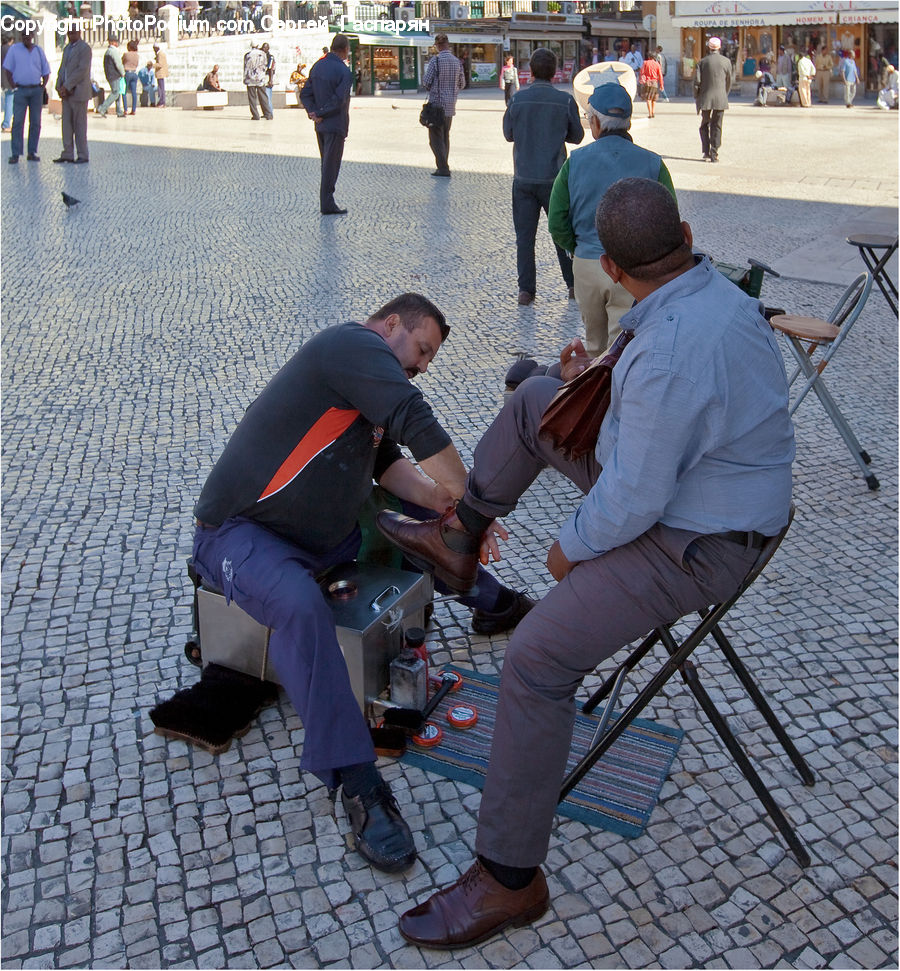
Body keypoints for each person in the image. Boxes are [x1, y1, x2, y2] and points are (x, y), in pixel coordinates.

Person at [375, 178, 795, 949]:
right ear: (687, 234)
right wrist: (588, 378)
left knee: (536, 656)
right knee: (535, 398)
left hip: (697, 537)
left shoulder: (667, 350)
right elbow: (659, 427)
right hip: (692, 492)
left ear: (606, 267)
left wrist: (567, 549)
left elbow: (634, 499)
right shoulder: (716, 295)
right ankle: (460, 545)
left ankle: (510, 878)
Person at [191, 292, 531, 875]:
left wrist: (453, 510)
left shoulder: (362, 391)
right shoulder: (350, 344)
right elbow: (414, 420)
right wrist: (476, 501)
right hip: (240, 534)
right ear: (391, 323)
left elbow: (392, 467)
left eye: (428, 361)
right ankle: (357, 782)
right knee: (300, 605)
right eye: (421, 349)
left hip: (324, 540)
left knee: (426, 517)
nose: (421, 364)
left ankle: (487, 597)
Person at [548, 83, 674, 356]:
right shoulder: (653, 163)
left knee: (594, 347)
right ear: (627, 122)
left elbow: (556, 221)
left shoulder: (575, 162)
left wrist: (578, 247)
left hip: (588, 265)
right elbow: (669, 218)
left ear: (594, 122)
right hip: (634, 270)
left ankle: (595, 394)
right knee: (625, 350)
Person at [503, 48, 583, 308]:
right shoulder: (565, 100)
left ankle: (526, 291)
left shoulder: (516, 99)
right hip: (555, 180)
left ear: (532, 71)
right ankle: (572, 285)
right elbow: (577, 136)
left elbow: (508, 134)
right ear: (555, 72)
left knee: (524, 238)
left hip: (524, 178)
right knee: (562, 234)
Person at [300, 33, 352, 215]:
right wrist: (320, 113)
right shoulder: (344, 72)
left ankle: (327, 201)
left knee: (326, 162)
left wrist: (313, 112)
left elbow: (305, 94)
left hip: (320, 125)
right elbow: (339, 100)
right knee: (332, 164)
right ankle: (327, 203)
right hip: (335, 123)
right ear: (345, 50)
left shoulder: (317, 67)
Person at [3, 28, 51, 163]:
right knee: (18, 122)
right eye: (23, 36)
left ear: (32, 36)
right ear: (20, 37)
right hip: (21, 91)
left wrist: (42, 86)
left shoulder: (38, 51)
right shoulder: (14, 50)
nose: (26, 38)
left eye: (28, 36)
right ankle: (16, 153)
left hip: (35, 90)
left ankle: (32, 151)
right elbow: (7, 69)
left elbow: (46, 71)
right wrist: (13, 86)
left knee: (35, 122)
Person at [422, 34, 465, 178]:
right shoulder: (457, 62)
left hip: (436, 106)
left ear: (438, 46)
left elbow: (426, 82)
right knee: (445, 136)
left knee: (435, 138)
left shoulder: (436, 61)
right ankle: (443, 165)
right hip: (450, 106)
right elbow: (462, 83)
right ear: (448, 44)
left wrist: (434, 88)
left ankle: (443, 168)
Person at [52, 22, 91, 164]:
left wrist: (68, 86)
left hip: (78, 92)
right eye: (69, 33)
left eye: (73, 33)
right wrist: (59, 85)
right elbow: (63, 68)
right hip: (66, 94)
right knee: (66, 125)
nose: (71, 35)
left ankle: (82, 154)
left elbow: (82, 70)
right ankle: (67, 153)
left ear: (79, 33)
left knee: (80, 125)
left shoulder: (85, 49)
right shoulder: (67, 48)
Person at [694, 36, 733, 163]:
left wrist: (697, 96)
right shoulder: (726, 61)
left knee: (704, 124)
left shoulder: (702, 62)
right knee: (717, 125)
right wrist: (724, 93)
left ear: (709, 47)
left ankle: (706, 151)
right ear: (719, 47)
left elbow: (697, 82)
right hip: (721, 98)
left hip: (706, 98)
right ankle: (714, 152)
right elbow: (729, 81)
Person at [96, 35, 124, 118]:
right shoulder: (113, 51)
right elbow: (118, 63)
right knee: (115, 93)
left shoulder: (107, 51)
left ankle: (119, 111)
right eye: (116, 41)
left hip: (110, 75)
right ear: (112, 42)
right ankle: (102, 108)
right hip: (114, 75)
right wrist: (122, 72)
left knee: (117, 92)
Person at [243, 42, 272, 120]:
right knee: (263, 97)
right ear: (258, 45)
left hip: (250, 79)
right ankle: (268, 114)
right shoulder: (263, 54)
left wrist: (245, 78)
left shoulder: (247, 55)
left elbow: (245, 67)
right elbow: (265, 65)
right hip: (260, 78)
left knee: (252, 98)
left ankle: (255, 115)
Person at [638, 52, 663, 117]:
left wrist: (641, 80)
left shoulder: (645, 63)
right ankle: (653, 112)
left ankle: (650, 113)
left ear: (649, 57)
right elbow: (660, 75)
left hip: (647, 83)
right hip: (655, 83)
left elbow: (642, 72)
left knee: (648, 98)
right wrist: (661, 85)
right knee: (653, 99)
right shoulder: (657, 64)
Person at [122, 38, 140, 115]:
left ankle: (125, 109)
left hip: (127, 73)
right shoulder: (137, 55)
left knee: (124, 92)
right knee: (134, 93)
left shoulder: (126, 54)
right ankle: (133, 110)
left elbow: (122, 61)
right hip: (134, 73)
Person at [1, 36, 14, 132]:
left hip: (2, 79)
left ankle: (6, 122)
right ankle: (6, 124)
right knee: (10, 100)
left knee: (7, 100)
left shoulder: (1, 49)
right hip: (10, 79)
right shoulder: (11, 50)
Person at [261, 41, 275, 113]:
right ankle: (266, 112)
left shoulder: (270, 57)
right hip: (263, 77)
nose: (263, 49)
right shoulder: (262, 56)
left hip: (268, 77)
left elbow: (271, 69)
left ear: (268, 48)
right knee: (264, 96)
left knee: (268, 95)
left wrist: (270, 80)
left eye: (264, 47)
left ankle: (270, 112)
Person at [153, 42, 167, 107]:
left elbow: (160, 64)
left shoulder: (160, 54)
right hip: (160, 73)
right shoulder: (159, 54)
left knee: (161, 88)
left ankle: (162, 102)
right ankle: (161, 101)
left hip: (161, 73)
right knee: (160, 88)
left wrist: (152, 65)